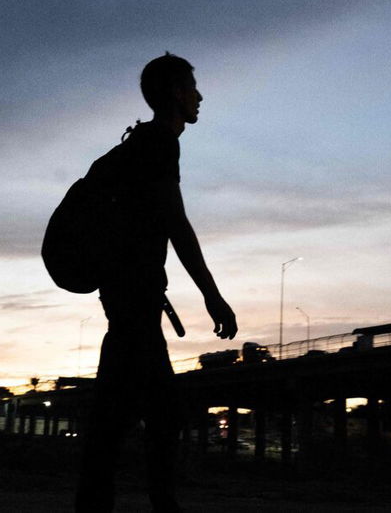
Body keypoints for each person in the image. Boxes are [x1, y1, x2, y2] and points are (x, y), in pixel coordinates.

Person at [75, 53, 238, 513]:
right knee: (157, 417)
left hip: (129, 298)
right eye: (192, 86)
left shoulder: (143, 144)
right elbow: (176, 224)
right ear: (173, 93)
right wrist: (212, 295)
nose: (199, 95)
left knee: (127, 418)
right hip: (134, 300)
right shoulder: (160, 144)